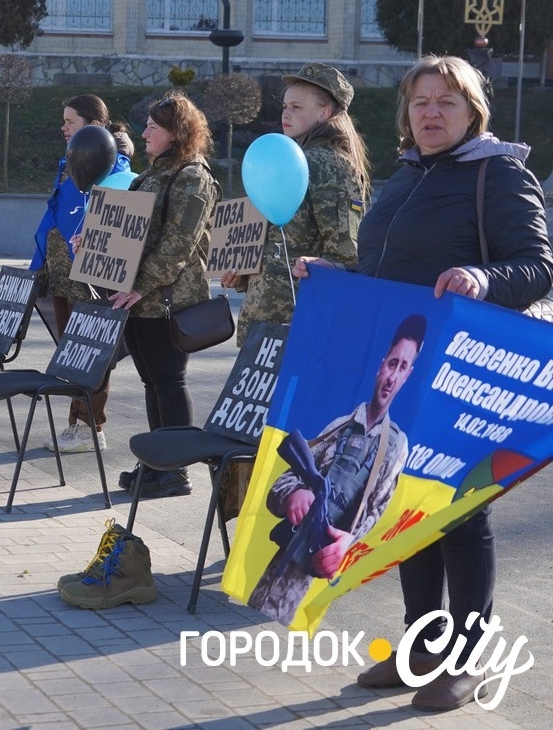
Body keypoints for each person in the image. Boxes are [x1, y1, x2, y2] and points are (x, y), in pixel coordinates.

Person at [294, 54, 553, 712]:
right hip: (405, 366)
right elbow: (384, 265)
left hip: (463, 372)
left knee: (460, 514)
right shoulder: (406, 177)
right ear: (406, 113)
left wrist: (482, 279)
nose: (431, 112)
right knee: (409, 507)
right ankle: (422, 646)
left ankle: (470, 654)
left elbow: (536, 266)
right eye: (420, 102)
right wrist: (337, 272)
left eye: (447, 102)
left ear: (473, 113)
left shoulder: (497, 174)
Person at [248, 314, 425, 625]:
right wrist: (294, 494)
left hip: (324, 565)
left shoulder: (396, 445)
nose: (391, 377)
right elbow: (286, 478)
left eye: (402, 368)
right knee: (256, 614)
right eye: (391, 363)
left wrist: (348, 542)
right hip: (288, 552)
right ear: (381, 364)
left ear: (408, 376)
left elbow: (376, 511)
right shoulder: (340, 427)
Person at [110, 92, 221, 498]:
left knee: (169, 382)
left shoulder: (192, 177)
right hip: (139, 299)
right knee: (152, 383)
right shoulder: (154, 173)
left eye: (153, 128)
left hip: (167, 299)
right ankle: (157, 464)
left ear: (176, 133)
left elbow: (179, 246)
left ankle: (175, 472)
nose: (144, 133)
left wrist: (140, 286)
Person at [221, 63, 369, 345]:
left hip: (296, 323)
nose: (286, 113)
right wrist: (240, 270)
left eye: (297, 107)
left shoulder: (328, 164)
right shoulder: (287, 159)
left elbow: (345, 253)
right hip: (265, 317)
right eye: (285, 105)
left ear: (325, 113)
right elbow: (273, 240)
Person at [29, 95, 131, 453]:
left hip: (92, 276)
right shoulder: (68, 164)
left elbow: (118, 223)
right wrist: (38, 264)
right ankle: (76, 424)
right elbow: (53, 216)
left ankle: (91, 426)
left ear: (94, 126)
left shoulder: (116, 169)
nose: (63, 127)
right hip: (61, 272)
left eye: (70, 121)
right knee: (71, 352)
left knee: (93, 351)